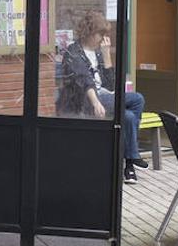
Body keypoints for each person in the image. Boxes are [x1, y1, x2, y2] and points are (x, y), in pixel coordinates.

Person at [56, 10, 148, 184]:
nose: (103, 38)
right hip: (83, 101)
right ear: (89, 32)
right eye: (100, 34)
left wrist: (107, 57)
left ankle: (129, 164)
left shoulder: (98, 52)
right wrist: (96, 102)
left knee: (128, 116)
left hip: (103, 97)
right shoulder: (73, 52)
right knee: (137, 99)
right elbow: (83, 80)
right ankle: (132, 158)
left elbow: (111, 85)